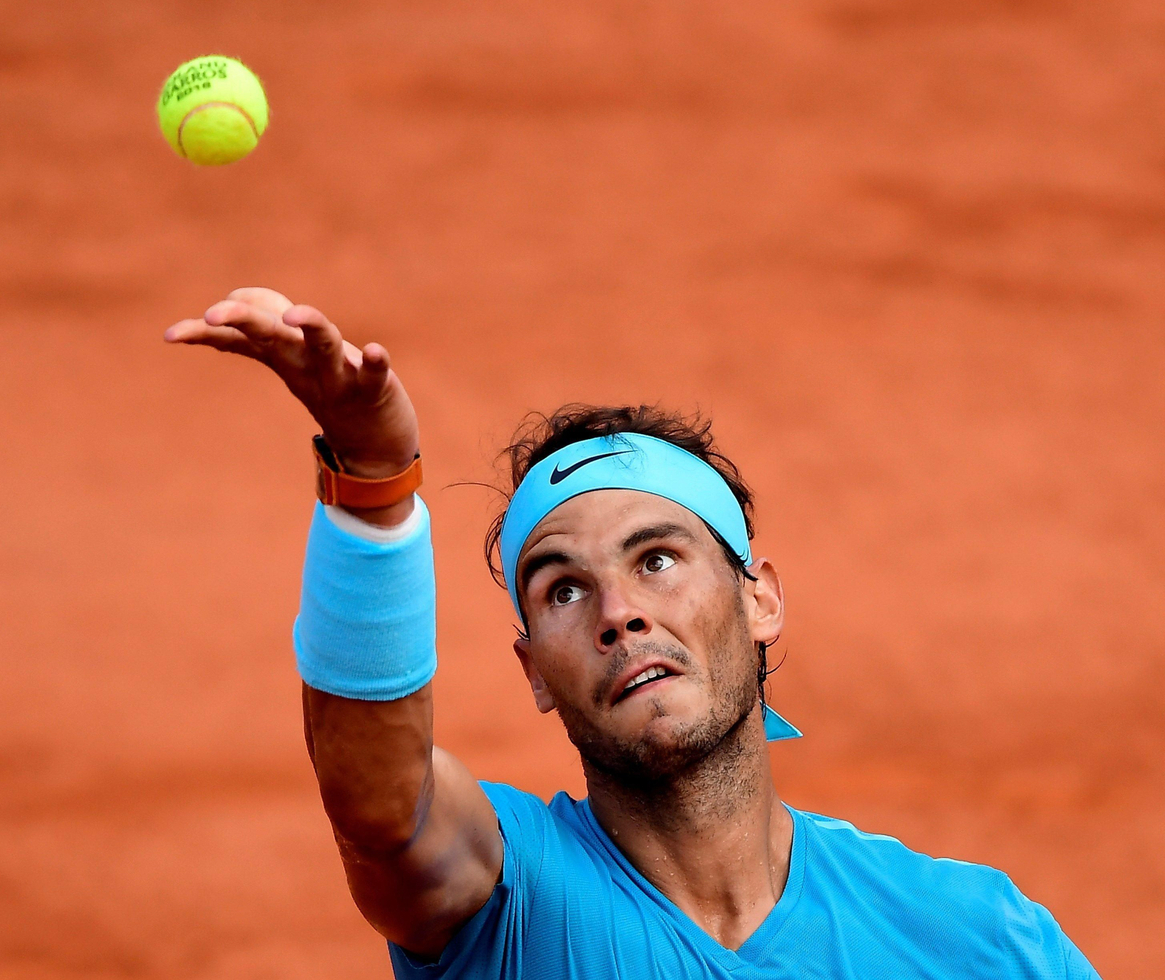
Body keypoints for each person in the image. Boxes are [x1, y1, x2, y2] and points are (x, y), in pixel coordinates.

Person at [165, 287, 1100, 979]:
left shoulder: (976, 937)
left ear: (760, 600)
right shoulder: (511, 904)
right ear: (533, 672)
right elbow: (379, 805)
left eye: (657, 560)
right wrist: (372, 484)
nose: (620, 613)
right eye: (563, 590)